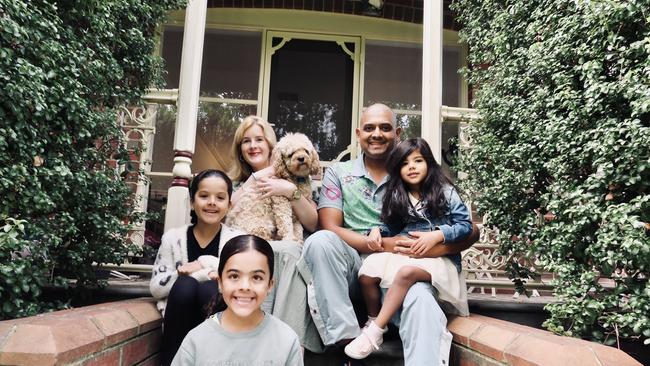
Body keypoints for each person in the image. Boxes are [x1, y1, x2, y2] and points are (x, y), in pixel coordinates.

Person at [298, 103, 479, 365]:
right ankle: (347, 342)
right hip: (352, 265)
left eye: (385, 128)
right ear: (359, 134)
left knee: (421, 298)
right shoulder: (341, 172)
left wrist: (435, 243)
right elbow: (329, 226)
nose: (377, 134)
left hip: (404, 265)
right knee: (320, 242)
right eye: (369, 128)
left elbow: (470, 229)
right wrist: (384, 244)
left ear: (398, 133)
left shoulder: (414, 175)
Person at [344, 137, 472, 360]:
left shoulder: (445, 191)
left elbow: (465, 226)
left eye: (418, 160)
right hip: (409, 254)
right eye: (404, 163)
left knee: (406, 274)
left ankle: (372, 334)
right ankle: (375, 321)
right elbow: (391, 226)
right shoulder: (398, 195)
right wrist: (377, 232)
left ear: (430, 164)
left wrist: (438, 235)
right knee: (367, 272)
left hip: (439, 261)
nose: (411, 167)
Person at [226, 116, 323, 352]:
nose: (253, 146)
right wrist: (258, 177)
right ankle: (283, 344)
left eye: (259, 139)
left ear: (271, 145)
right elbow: (227, 211)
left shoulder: (297, 179)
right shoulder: (235, 183)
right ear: (240, 150)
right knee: (286, 252)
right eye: (246, 141)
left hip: (284, 251)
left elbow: (312, 223)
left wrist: (289, 190)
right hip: (250, 246)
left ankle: (285, 345)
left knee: (291, 252)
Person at [149, 169, 243, 366]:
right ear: (192, 202)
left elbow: (239, 283)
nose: (211, 202)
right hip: (178, 320)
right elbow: (157, 288)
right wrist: (195, 274)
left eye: (220, 197)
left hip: (220, 325)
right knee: (185, 286)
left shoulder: (236, 242)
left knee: (209, 289)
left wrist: (201, 264)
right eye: (203, 196)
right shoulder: (172, 239)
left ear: (229, 204)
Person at [171, 235, 303, 366]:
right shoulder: (196, 341)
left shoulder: (286, 341)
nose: (245, 286)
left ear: (269, 285)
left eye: (256, 277)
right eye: (234, 276)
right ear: (220, 283)